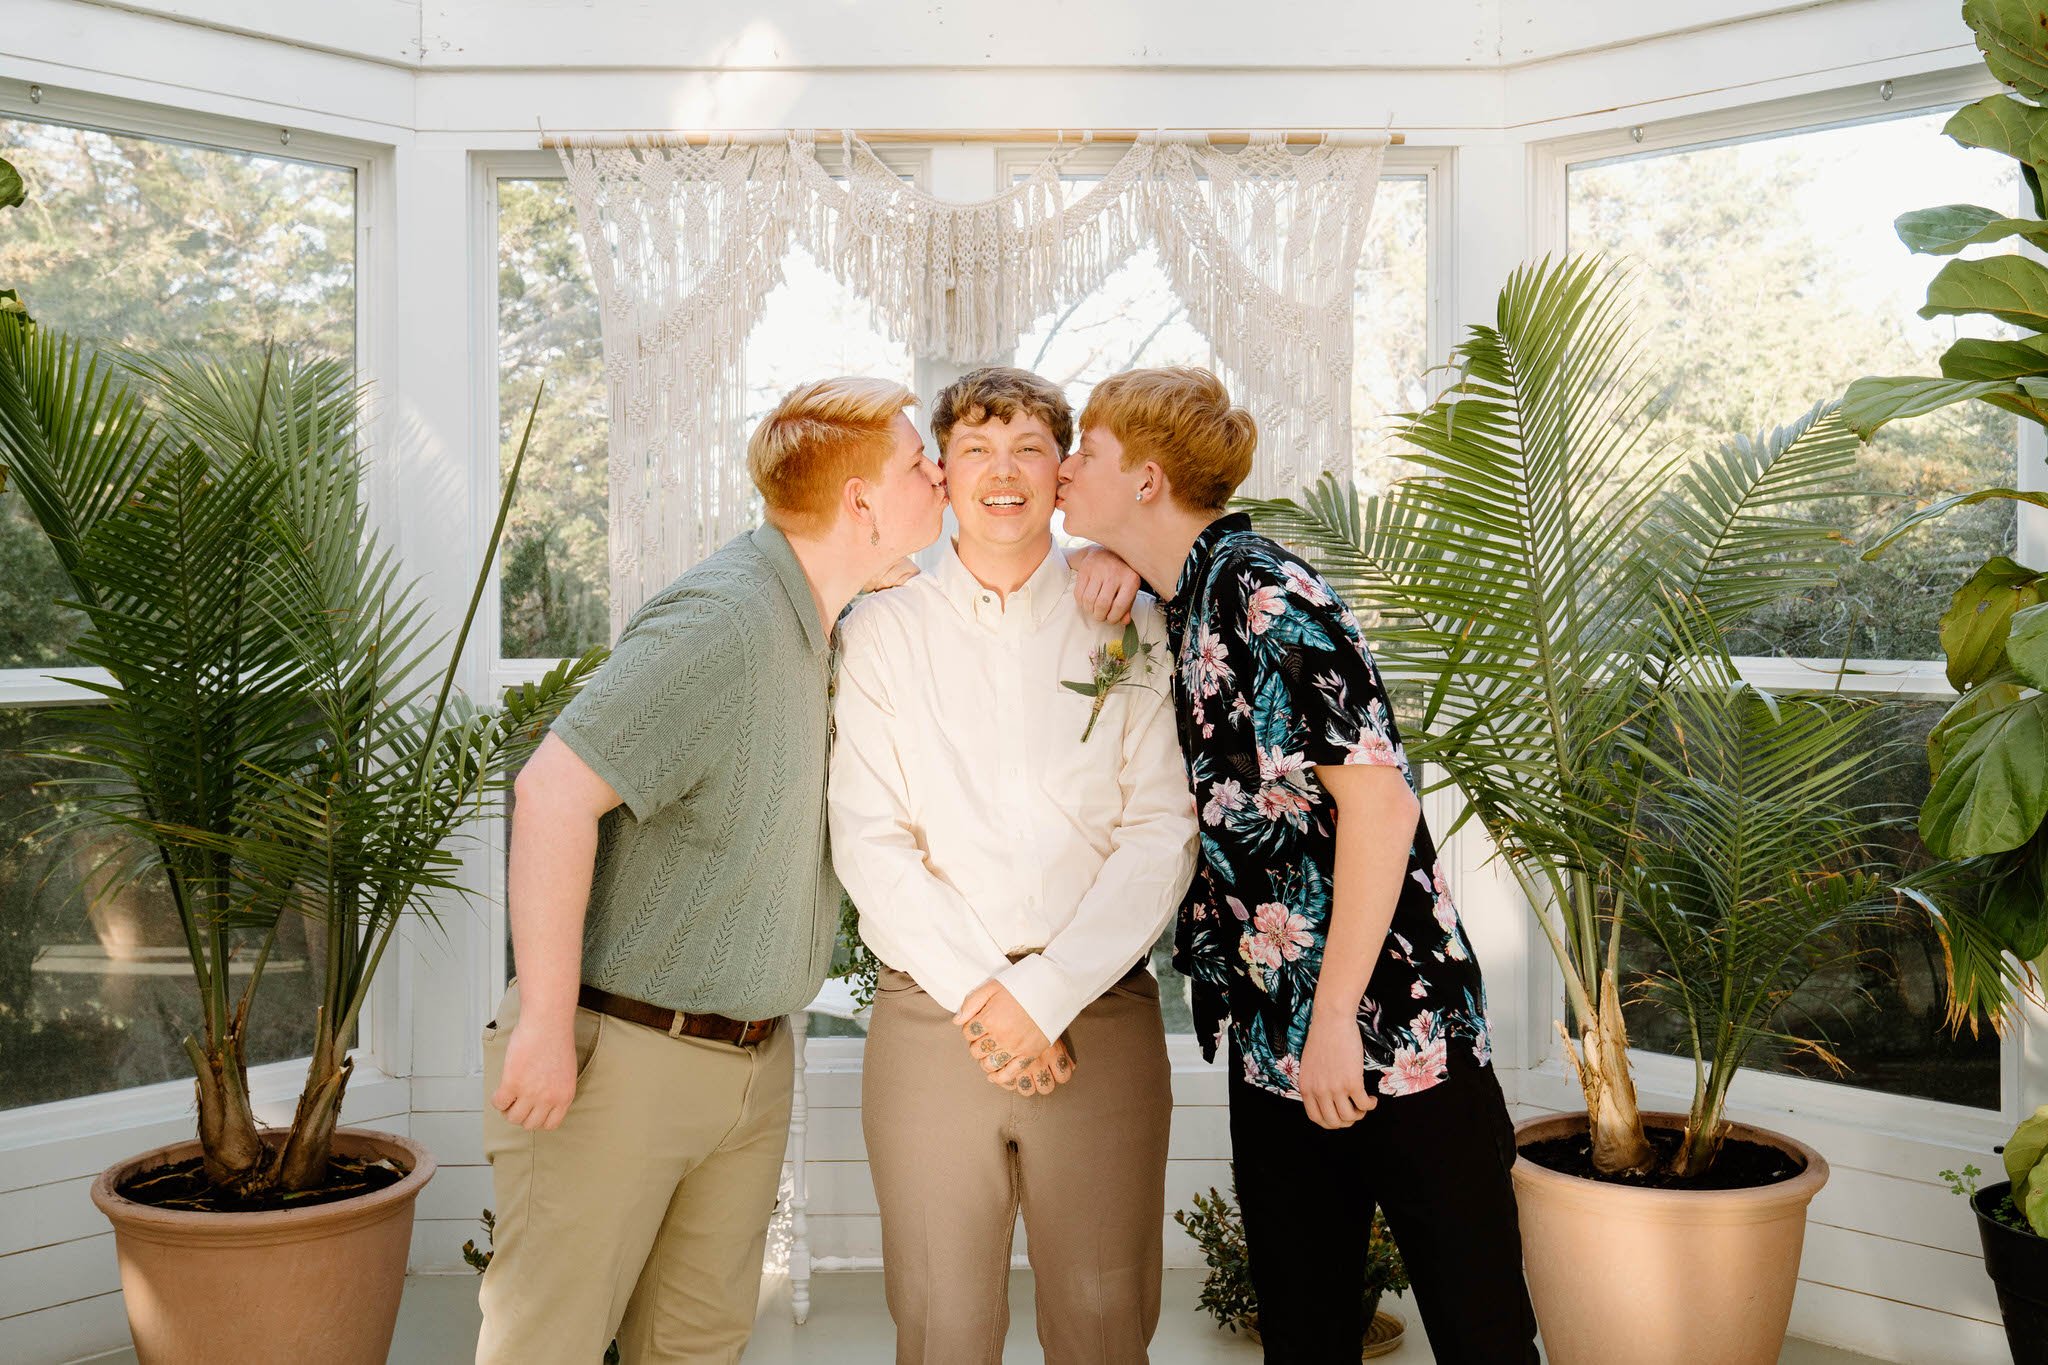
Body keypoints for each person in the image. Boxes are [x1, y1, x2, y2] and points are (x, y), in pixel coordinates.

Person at [1054, 366, 1538, 1364]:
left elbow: (1381, 805)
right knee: (1304, 1333)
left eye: (1085, 453)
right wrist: (1099, 555)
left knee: (1479, 1334)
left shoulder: (1262, 592)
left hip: (1397, 1037)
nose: (1063, 469)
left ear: (1146, 477)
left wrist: (1330, 1030)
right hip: (1276, 1036)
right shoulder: (1188, 592)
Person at [476, 377, 948, 1365]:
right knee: (544, 1347)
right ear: (858, 502)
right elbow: (553, 794)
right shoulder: (723, 620)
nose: (939, 474)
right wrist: (544, 1027)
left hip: (746, 1066)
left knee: (694, 1348)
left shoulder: (815, 612)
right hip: (621, 1059)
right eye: (917, 462)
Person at [829, 365, 1198, 1364]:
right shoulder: (880, 628)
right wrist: (987, 996)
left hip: (1101, 1012)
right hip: (930, 1016)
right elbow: (869, 839)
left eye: (1029, 447)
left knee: (1103, 1319)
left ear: (1061, 468)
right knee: (941, 1322)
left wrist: (1048, 994)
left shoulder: (1124, 618)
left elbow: (1159, 827)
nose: (1004, 472)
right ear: (940, 472)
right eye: (976, 450)